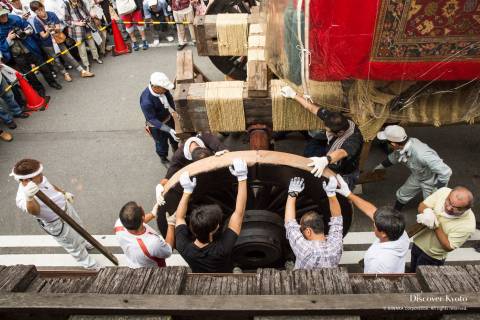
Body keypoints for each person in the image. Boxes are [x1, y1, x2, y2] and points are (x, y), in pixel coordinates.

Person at [11, 159, 100, 270]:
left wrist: (63, 193)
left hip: (67, 209)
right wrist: (30, 197)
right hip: (57, 222)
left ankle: (85, 241)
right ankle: (89, 264)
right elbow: (35, 211)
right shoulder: (21, 197)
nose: (42, 176)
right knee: (72, 244)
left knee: (80, 227)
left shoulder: (40, 179)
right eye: (38, 175)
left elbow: (50, 185)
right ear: (26, 179)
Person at [281, 85, 364, 189]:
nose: (326, 131)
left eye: (329, 131)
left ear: (340, 133)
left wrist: (325, 160)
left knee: (341, 193)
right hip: (329, 150)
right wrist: (293, 95)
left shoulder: (354, 140)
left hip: (344, 170)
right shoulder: (334, 118)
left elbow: (342, 152)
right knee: (311, 149)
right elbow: (311, 107)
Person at [174, 158, 248, 273]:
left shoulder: (183, 247)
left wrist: (187, 192)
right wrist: (242, 177)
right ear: (215, 229)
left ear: (192, 227)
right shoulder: (222, 250)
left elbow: (179, 217)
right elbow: (239, 212)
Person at [334, 174, 410, 273]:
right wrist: (349, 194)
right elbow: (372, 211)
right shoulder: (401, 234)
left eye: (375, 225)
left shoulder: (378, 261)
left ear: (383, 234)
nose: (373, 224)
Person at [374, 125, 452, 211]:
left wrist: (438, 190)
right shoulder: (403, 146)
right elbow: (395, 157)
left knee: (430, 206)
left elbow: (445, 171)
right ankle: (395, 212)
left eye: (387, 142)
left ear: (393, 144)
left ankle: (430, 221)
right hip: (417, 176)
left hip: (432, 180)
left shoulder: (422, 154)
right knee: (403, 193)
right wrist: (379, 168)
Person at [0, 6, 62, 96]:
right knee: (29, 74)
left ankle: (52, 82)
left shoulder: (15, 18)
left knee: (43, 66)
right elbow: (2, 46)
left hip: (30, 47)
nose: (4, 16)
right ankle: (39, 89)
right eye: (1, 16)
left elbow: (30, 29)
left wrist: (23, 33)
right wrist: (9, 39)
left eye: (4, 14)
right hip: (17, 55)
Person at [284, 176, 344, 269]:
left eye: (302, 230)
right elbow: (337, 219)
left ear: (308, 231)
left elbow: (290, 224)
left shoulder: (305, 250)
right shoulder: (335, 246)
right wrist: (331, 194)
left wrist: (292, 193)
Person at [412, 186, 476, 272]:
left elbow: (448, 247)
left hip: (432, 257)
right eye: (449, 202)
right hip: (417, 243)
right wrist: (427, 211)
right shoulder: (443, 191)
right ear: (448, 194)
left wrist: (436, 226)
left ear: (466, 209)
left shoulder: (468, 225)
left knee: (423, 280)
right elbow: (422, 206)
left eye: (457, 208)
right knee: (411, 272)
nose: (449, 208)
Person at [155, 133, 228, 203]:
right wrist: (160, 187)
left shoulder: (206, 137)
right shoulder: (178, 157)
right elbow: (167, 178)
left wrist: (224, 152)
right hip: (198, 181)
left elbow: (222, 148)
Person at [30, 1, 94, 82]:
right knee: (56, 60)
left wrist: (53, 28)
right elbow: (43, 36)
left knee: (68, 55)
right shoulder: (36, 21)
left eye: (41, 9)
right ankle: (65, 73)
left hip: (58, 39)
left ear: (43, 7)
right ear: (34, 12)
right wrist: (47, 31)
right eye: (38, 11)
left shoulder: (51, 14)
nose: (41, 11)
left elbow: (59, 28)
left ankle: (82, 71)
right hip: (48, 44)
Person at [114, 201, 174, 268]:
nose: (140, 206)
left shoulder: (119, 224)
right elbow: (168, 250)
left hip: (132, 263)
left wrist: (152, 214)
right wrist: (171, 223)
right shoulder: (153, 244)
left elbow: (135, 223)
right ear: (142, 217)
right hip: (153, 271)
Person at [139, 72, 179, 165]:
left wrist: (178, 110)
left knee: (175, 139)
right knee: (161, 144)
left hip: (168, 118)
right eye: (164, 89)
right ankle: (163, 158)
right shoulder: (146, 101)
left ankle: (176, 153)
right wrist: (168, 130)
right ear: (155, 87)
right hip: (156, 126)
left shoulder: (163, 90)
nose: (166, 90)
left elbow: (170, 99)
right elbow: (152, 119)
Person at [64, 0, 103, 72]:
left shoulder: (81, 2)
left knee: (92, 44)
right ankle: (86, 64)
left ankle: (96, 57)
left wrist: (87, 20)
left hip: (87, 27)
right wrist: (78, 23)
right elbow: (66, 21)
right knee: (82, 49)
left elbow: (87, 14)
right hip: (77, 31)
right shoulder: (67, 5)